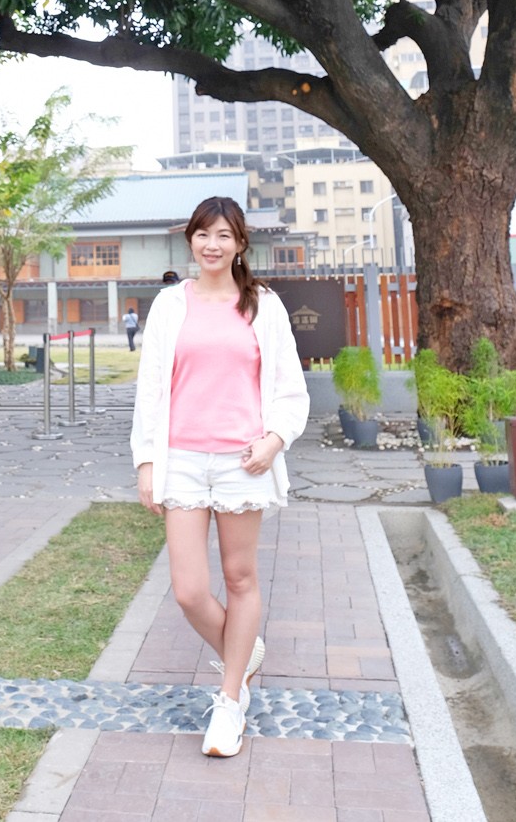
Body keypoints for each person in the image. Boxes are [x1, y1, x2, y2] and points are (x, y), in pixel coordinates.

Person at [131, 196, 310, 758]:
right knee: (188, 590)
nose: (213, 245)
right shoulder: (168, 305)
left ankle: (230, 703)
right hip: (181, 459)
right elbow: (151, 388)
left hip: (243, 462)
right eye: (203, 234)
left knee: (239, 578)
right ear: (190, 240)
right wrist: (146, 463)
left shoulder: (264, 305)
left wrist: (273, 441)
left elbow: (289, 387)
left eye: (224, 236)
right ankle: (244, 651)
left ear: (239, 245)